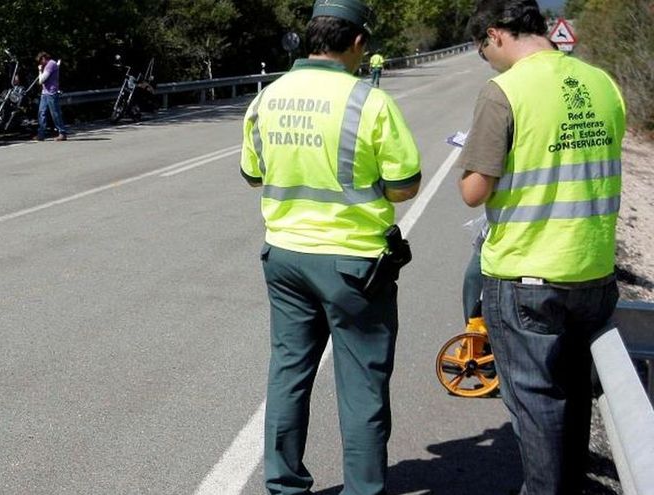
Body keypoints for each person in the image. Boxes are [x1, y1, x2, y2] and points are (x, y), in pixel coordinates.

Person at [241, 1, 422, 493]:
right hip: (353, 264)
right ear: (358, 42)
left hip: (284, 256)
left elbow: (253, 175)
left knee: (288, 373)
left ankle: (283, 485)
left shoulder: (268, 97)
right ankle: (362, 489)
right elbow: (405, 183)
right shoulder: (370, 102)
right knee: (362, 385)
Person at [457, 1, 625, 494]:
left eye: (482, 48)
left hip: (527, 274)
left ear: (495, 35)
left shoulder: (504, 91)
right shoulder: (602, 83)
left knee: (537, 404)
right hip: (593, 269)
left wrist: (469, 159)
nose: (485, 59)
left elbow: (474, 189)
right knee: (575, 395)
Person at [34, 52, 69, 141]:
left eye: (41, 61)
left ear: (44, 58)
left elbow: (41, 80)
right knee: (41, 113)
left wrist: (39, 70)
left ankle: (62, 132)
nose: (41, 63)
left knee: (55, 113)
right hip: (45, 93)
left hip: (51, 93)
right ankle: (41, 134)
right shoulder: (49, 65)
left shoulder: (50, 64)